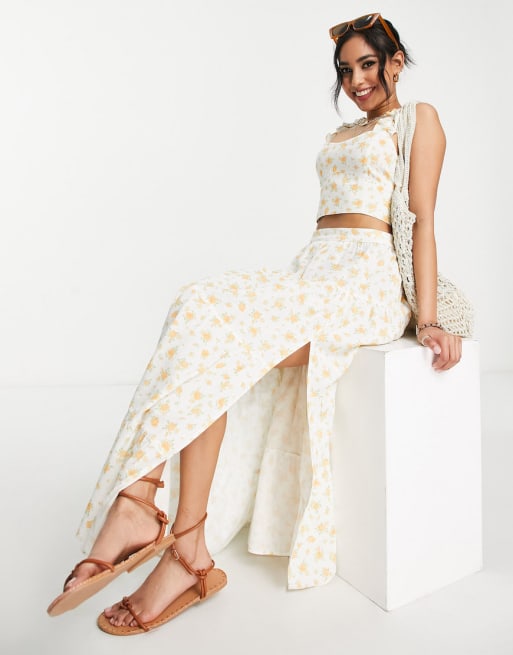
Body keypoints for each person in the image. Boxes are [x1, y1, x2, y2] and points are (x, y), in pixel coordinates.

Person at [47, 13, 464, 635]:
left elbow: (422, 218)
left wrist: (427, 318)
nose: (356, 80)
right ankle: (182, 542)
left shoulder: (418, 119)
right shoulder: (343, 133)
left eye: (368, 65)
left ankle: (143, 510)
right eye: (345, 70)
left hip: (365, 282)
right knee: (199, 310)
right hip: (314, 268)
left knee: (208, 320)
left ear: (395, 62)